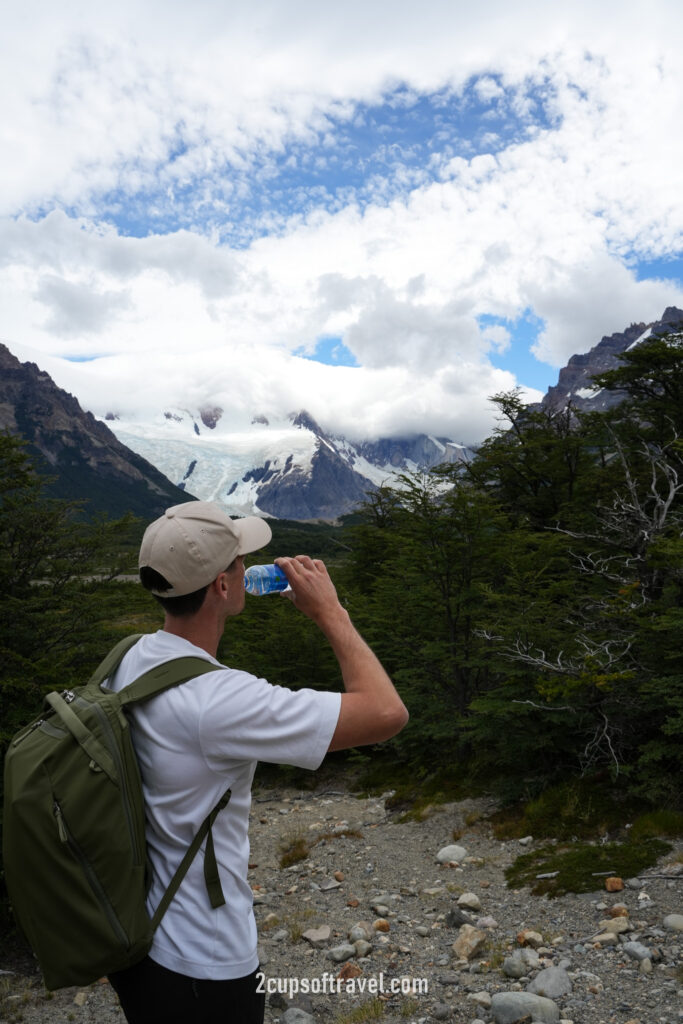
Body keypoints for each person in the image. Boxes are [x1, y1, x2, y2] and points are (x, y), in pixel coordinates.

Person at [106, 500, 408, 1024]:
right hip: (204, 960)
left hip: (138, 937)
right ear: (223, 586)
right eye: (240, 561)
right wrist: (330, 612)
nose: (248, 569)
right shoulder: (220, 701)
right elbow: (386, 713)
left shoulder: (130, 656)